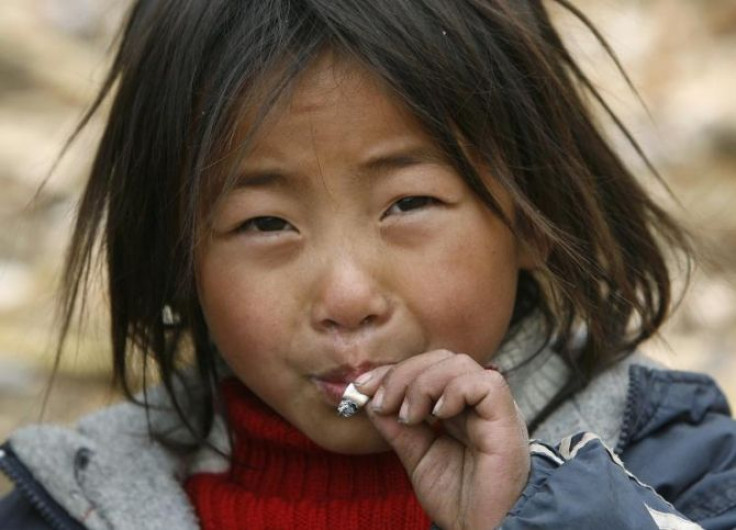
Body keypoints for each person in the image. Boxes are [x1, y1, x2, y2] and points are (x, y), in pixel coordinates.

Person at [1, 1, 734, 528]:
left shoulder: (667, 458)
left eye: (408, 204)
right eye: (264, 222)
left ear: (534, 213)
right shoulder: (81, 500)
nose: (346, 297)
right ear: (176, 254)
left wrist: (535, 514)